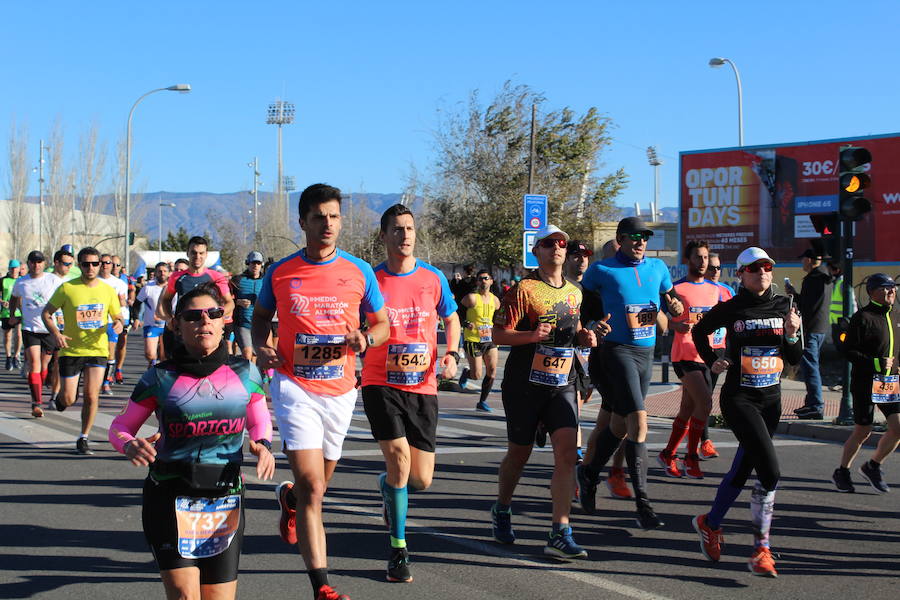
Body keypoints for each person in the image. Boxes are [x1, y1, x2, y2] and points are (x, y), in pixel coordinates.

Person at [252, 183, 389, 600]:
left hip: (342, 390)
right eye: (318, 217)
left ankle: (290, 499)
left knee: (317, 486)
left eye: (333, 216)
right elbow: (261, 318)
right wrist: (263, 346)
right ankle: (322, 587)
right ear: (303, 222)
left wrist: (366, 339)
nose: (327, 224)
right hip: (294, 386)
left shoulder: (360, 271)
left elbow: (382, 324)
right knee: (315, 489)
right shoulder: (282, 271)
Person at [108, 282, 275, 600]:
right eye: (193, 316)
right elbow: (120, 426)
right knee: (186, 597)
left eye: (213, 313)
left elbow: (259, 417)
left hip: (225, 502)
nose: (205, 321)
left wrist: (262, 444)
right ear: (177, 325)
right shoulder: (159, 377)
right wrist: (129, 443)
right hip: (170, 498)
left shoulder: (245, 372)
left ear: (224, 320)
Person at [361, 204, 461, 583]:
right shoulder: (370, 279)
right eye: (397, 229)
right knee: (399, 459)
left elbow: (451, 318)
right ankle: (399, 549)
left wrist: (451, 353)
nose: (405, 235)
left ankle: (386, 487)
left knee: (420, 479)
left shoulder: (433, 278)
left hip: (423, 385)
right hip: (379, 382)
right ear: (383, 236)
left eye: (410, 228)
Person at [691, 247, 802, 577]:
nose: (763, 272)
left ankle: (710, 524)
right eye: (754, 268)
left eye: (767, 266)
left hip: (771, 399)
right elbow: (699, 332)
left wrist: (793, 334)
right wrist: (713, 360)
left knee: (742, 470)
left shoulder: (785, 306)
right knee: (770, 472)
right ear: (740, 274)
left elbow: (794, 360)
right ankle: (761, 550)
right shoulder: (732, 308)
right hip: (740, 399)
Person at [490, 225, 598, 560]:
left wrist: (587, 338)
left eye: (562, 244)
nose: (557, 249)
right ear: (537, 251)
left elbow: (575, 330)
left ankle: (560, 530)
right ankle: (502, 508)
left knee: (567, 455)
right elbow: (498, 335)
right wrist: (532, 336)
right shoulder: (524, 289)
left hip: (562, 382)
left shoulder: (575, 292)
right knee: (519, 455)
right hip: (525, 384)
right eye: (549, 244)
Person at [577, 217, 684, 529]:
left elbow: (669, 300)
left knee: (620, 425)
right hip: (614, 351)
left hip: (645, 352)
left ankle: (589, 472)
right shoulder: (602, 270)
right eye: (634, 237)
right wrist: (594, 324)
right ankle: (644, 504)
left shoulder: (659, 269)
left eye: (644, 238)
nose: (640, 242)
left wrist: (675, 307)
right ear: (620, 239)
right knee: (639, 421)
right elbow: (582, 306)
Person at [42, 247, 123, 455]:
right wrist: (56, 334)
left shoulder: (107, 290)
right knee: (69, 398)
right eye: (86, 264)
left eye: (95, 264)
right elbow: (47, 314)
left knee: (91, 395)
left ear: (100, 265)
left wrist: (119, 324)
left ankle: (83, 437)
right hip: (71, 350)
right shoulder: (67, 288)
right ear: (79, 265)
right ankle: (61, 399)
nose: (91, 268)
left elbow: (117, 316)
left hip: (97, 349)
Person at [658, 240, 726, 479]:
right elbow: (664, 321)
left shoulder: (714, 289)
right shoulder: (677, 289)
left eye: (705, 257)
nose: (702, 262)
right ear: (688, 260)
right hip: (684, 354)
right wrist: (678, 325)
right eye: (698, 257)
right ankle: (691, 457)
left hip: (705, 355)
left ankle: (668, 453)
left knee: (687, 409)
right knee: (705, 404)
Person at [831, 273, 900, 494]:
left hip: (888, 382)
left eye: (893, 288)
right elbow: (848, 351)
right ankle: (842, 471)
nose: (891, 291)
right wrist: (875, 362)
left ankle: (873, 465)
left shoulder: (896, 315)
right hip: (864, 383)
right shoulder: (862, 317)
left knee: (898, 428)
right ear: (872, 292)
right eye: (885, 287)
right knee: (863, 430)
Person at [157, 237, 235, 365]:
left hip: (206, 327)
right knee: (176, 365)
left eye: (201, 253)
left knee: (209, 363)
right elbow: (166, 300)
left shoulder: (215, 277)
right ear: (187, 253)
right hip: (184, 329)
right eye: (193, 252)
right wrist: (169, 319)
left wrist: (215, 316)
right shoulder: (177, 277)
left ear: (206, 254)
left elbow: (229, 303)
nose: (197, 256)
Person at [8, 251, 62, 418]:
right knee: (34, 364)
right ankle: (36, 403)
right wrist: (13, 314)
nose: (36, 265)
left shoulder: (52, 280)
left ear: (44, 263)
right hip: (30, 329)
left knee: (45, 366)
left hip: (49, 329)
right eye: (33, 262)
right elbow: (14, 299)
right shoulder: (21, 282)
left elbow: (64, 297)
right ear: (28, 263)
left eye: (39, 262)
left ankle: (42, 383)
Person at [787, 248, 832, 419]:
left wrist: (793, 295)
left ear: (809, 260)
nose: (802, 262)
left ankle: (816, 406)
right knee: (811, 366)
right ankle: (811, 403)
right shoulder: (824, 276)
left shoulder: (813, 278)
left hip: (811, 329)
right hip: (820, 328)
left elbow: (807, 305)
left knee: (810, 368)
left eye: (803, 259)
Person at [458, 270, 500, 412]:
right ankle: (467, 373)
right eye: (480, 279)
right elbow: (456, 310)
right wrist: (465, 322)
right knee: (476, 375)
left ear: (491, 281)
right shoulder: (472, 298)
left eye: (486, 278)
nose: (483, 281)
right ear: (477, 282)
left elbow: (499, 317)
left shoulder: (495, 300)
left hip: (490, 340)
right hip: (473, 339)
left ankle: (482, 401)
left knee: (492, 370)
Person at [98, 254, 129, 394]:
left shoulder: (119, 283)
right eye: (102, 262)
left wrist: (121, 321)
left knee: (110, 354)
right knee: (95, 354)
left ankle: (106, 382)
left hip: (111, 322)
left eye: (108, 263)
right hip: (95, 323)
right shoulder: (92, 281)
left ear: (112, 265)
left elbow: (123, 305)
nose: (105, 265)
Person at [48, 249, 75, 401]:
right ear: (56, 263)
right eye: (66, 264)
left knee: (59, 360)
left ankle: (54, 395)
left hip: (63, 326)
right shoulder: (47, 280)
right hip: (44, 326)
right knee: (44, 363)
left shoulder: (71, 282)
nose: (69, 267)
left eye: (71, 264)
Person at [135, 262, 171, 366]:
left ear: (169, 273)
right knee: (150, 354)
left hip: (167, 326)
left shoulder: (172, 288)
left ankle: (157, 370)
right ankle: (153, 363)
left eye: (165, 271)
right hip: (151, 325)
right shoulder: (148, 287)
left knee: (165, 356)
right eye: (159, 271)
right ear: (155, 273)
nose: (162, 273)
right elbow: (137, 303)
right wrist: (137, 318)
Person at [231, 252, 265, 362]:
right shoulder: (237, 280)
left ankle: (254, 377)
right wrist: (237, 301)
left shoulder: (266, 281)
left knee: (255, 355)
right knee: (247, 353)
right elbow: (225, 300)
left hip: (260, 324)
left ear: (262, 265)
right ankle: (247, 377)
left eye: (258, 263)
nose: (255, 266)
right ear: (247, 263)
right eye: (253, 263)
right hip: (242, 324)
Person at [1, 259, 23, 371]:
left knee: (19, 334)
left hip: (20, 312)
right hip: (6, 312)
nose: (14, 270)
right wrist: (2, 301)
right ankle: (8, 357)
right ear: (9, 269)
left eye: (16, 268)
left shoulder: (22, 280)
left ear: (19, 269)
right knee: (7, 336)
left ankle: (17, 356)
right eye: (12, 268)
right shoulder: (3, 281)